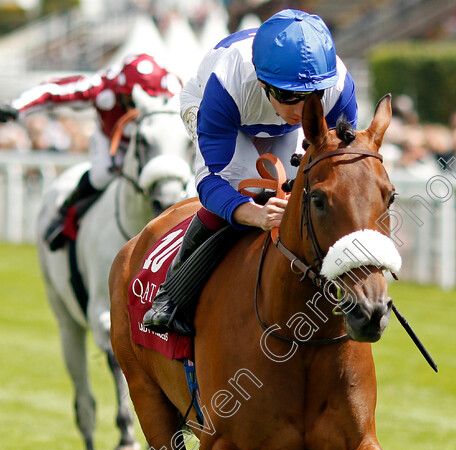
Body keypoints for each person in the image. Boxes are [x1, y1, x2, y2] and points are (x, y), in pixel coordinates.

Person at [144, 9, 358, 335]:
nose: (301, 110)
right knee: (249, 189)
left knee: (302, 189)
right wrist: (256, 215)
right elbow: (212, 182)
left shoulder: (339, 88)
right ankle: (173, 292)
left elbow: (343, 173)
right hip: (220, 109)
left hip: (273, 122)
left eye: (311, 98)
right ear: (262, 82)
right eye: (289, 96)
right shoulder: (227, 83)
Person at [0, 53, 179, 250]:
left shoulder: (175, 87)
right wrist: (16, 107)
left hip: (156, 143)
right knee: (101, 175)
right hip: (113, 141)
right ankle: (63, 216)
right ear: (119, 90)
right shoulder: (102, 86)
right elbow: (53, 90)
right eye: (129, 100)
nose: (135, 109)